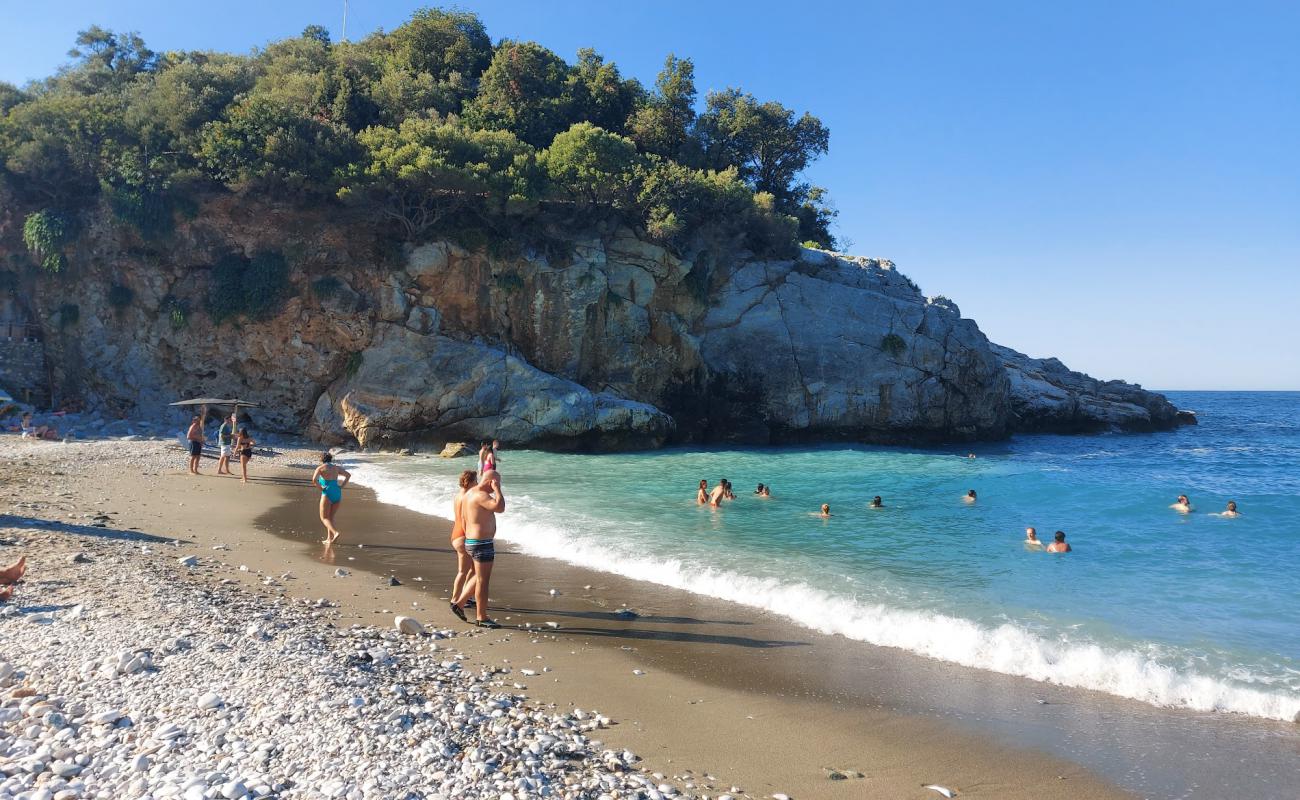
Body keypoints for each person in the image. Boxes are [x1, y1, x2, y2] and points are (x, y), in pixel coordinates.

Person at [451, 469, 506, 628]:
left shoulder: (470, 493)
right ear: (491, 482)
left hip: (472, 541)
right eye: (497, 482)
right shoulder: (481, 495)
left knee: (477, 576)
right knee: (483, 581)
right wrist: (497, 490)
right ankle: (481, 617)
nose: (498, 485)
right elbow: (500, 507)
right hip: (481, 543)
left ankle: (459, 604)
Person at [450, 469, 479, 609]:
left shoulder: (457, 496)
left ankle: (465, 597)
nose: (478, 483)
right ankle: (455, 599)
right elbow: (465, 518)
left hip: (455, 533)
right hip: (463, 535)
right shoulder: (468, 496)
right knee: (464, 571)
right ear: (470, 482)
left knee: (472, 569)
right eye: (476, 480)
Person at [311, 452, 351, 544]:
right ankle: (329, 538)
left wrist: (320, 488)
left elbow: (314, 480)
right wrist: (342, 486)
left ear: (321, 460)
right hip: (337, 492)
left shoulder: (320, 468)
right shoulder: (336, 468)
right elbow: (348, 475)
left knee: (324, 518)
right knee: (330, 517)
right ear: (330, 459)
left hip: (327, 492)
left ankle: (335, 532)